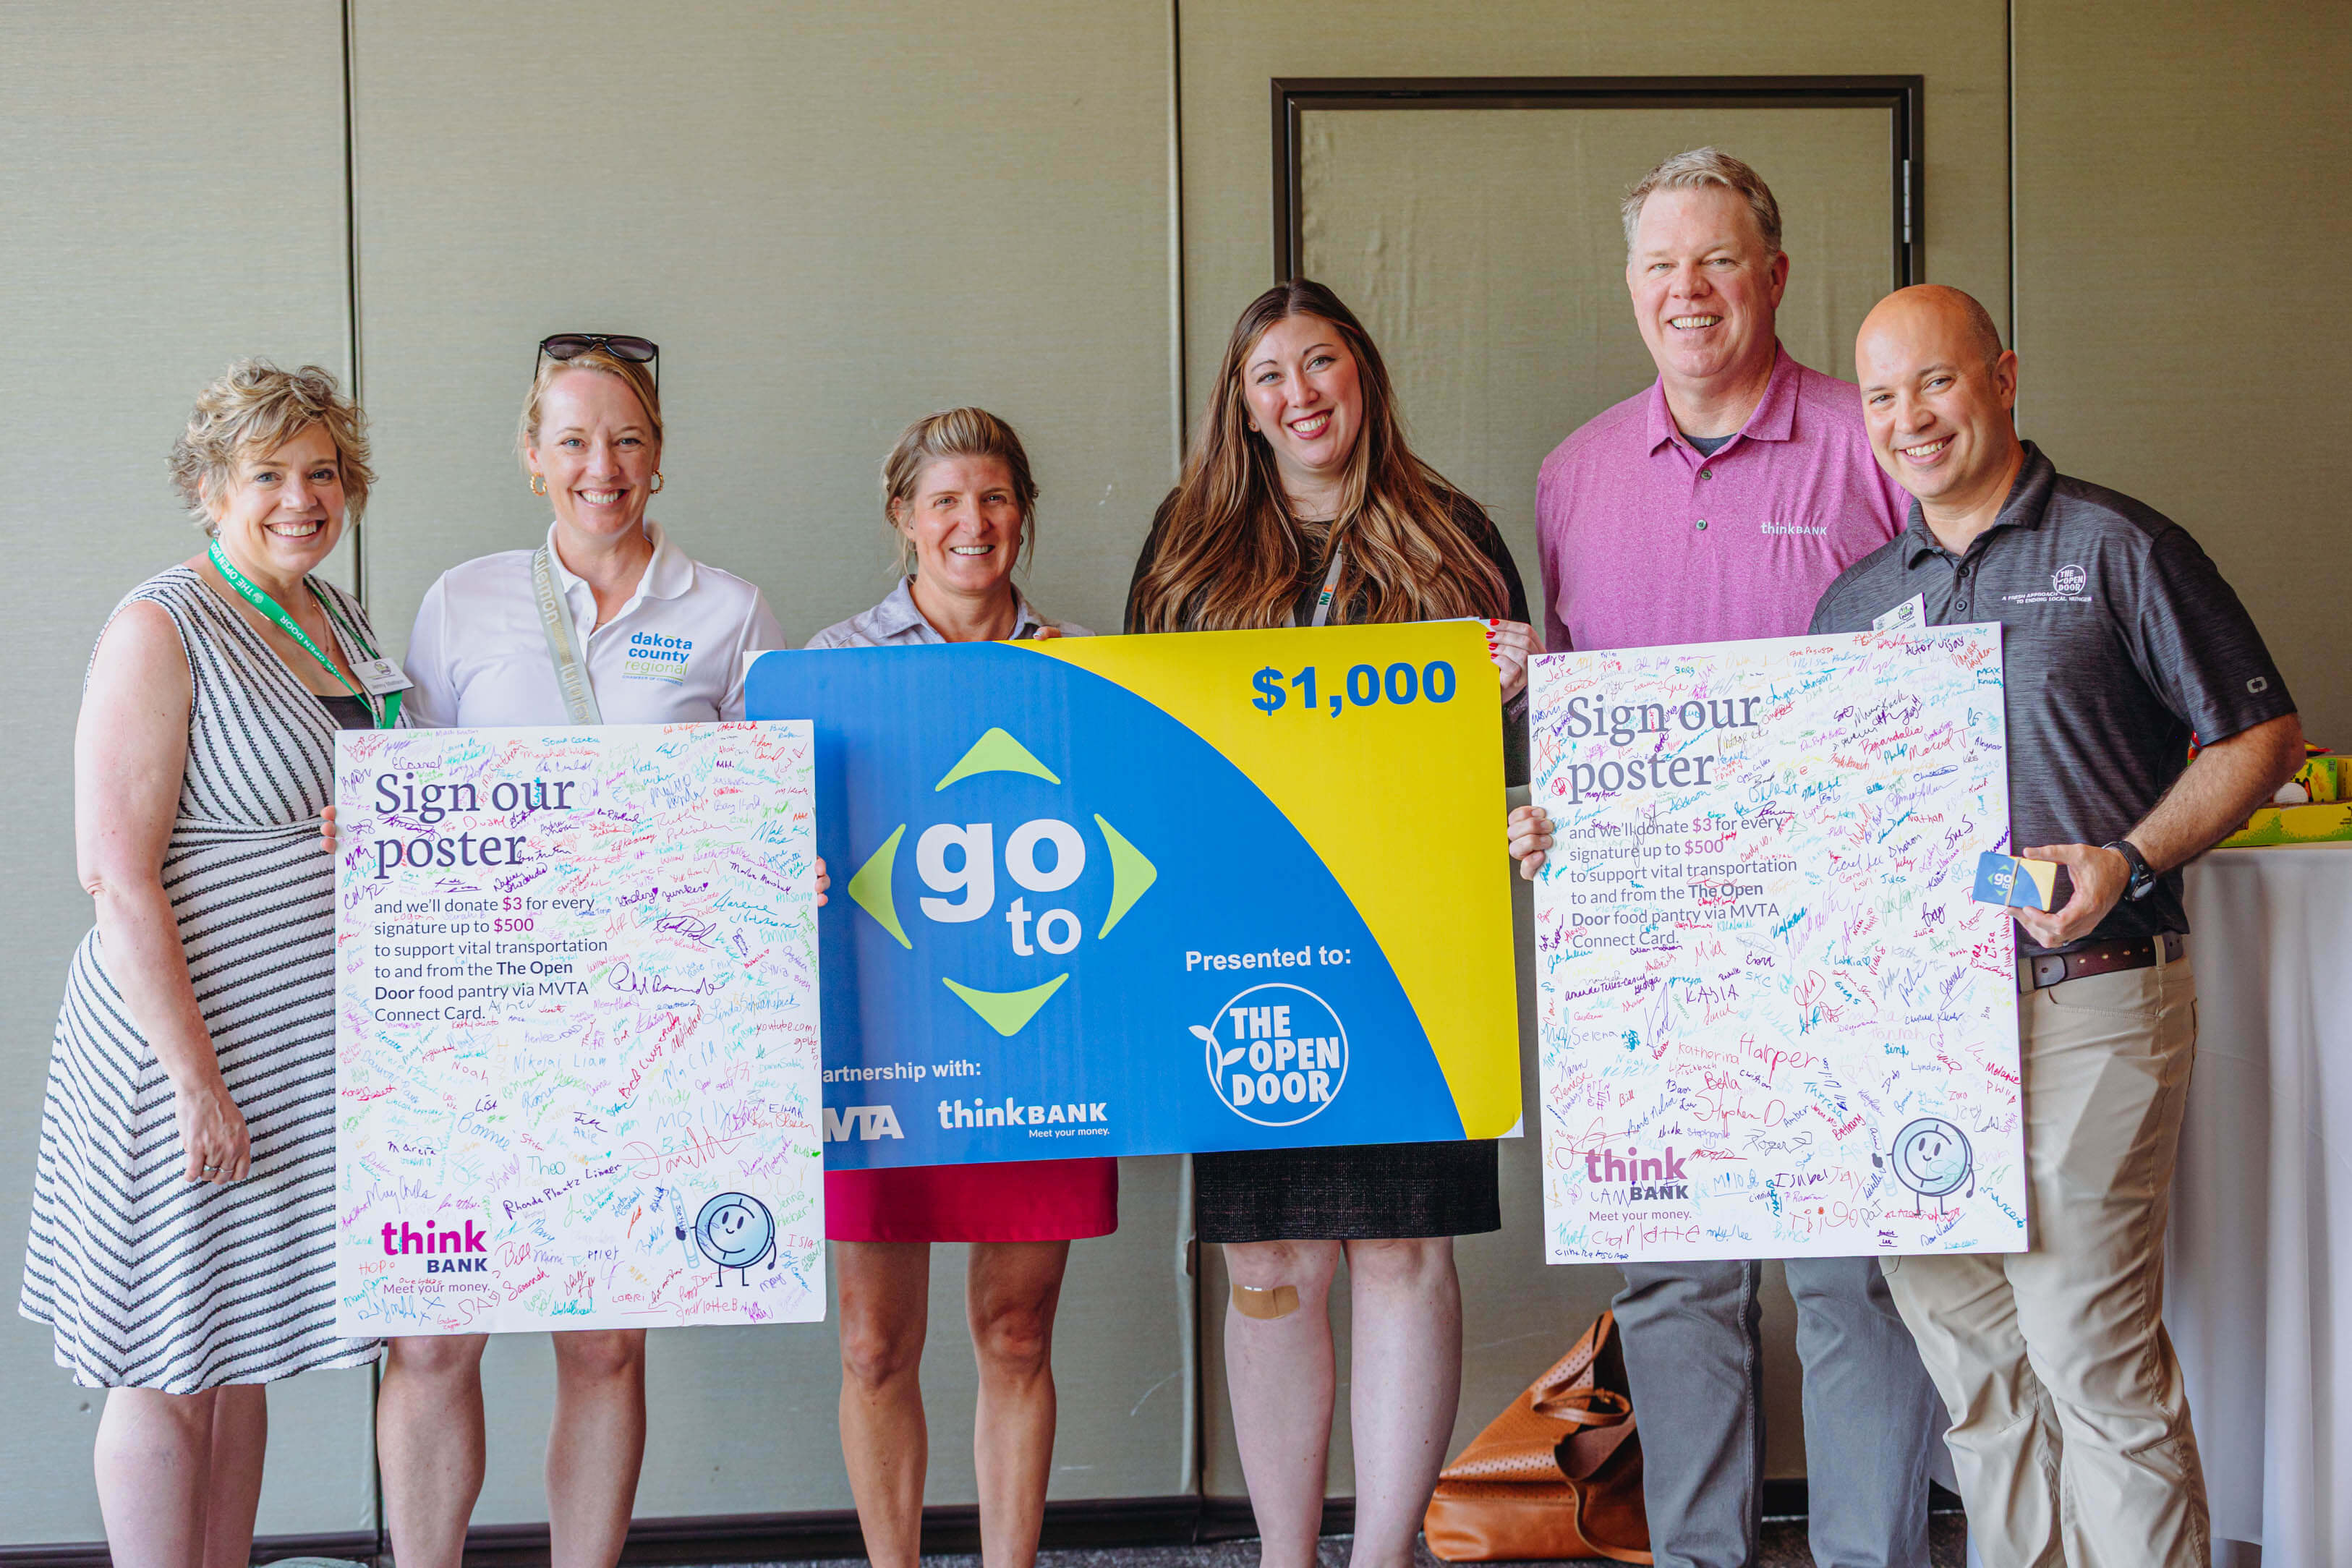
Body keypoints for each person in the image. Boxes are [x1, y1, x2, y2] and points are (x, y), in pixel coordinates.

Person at [1808, 285, 2303, 1566]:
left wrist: (2129, 857)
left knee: (2089, 1344)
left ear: (2005, 377)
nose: (1911, 419)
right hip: (1916, 1034)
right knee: (1973, 1364)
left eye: (1937, 381)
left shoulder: (2121, 545)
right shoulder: (1853, 605)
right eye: (1882, 396)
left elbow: (2260, 735)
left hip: (2093, 991)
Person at [1511, 149, 1946, 1568]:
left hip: (1845, 933)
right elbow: (1575, 702)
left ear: (1774, 275)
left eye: (1716, 261)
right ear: (1630, 286)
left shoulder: (1870, 441)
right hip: (1649, 947)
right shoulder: (1572, 475)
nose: (1687, 290)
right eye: (1660, 265)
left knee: (1850, 1282)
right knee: (1676, 1281)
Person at [377, 335, 825, 1568]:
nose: (601, 466)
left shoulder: (731, 611)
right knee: (433, 1337)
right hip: (477, 1024)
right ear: (532, 457)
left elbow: (769, 809)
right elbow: (415, 796)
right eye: (572, 440)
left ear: (660, 455)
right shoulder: (461, 601)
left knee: (605, 1339)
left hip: (647, 1031)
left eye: (626, 439)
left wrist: (787, 867)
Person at [1126, 279, 1538, 1568]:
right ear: (1241, 407)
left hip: (1412, 948)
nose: (1300, 393)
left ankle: (1382, 1556)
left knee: (1404, 1249)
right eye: (1271, 375)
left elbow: (1515, 761)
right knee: (1269, 1259)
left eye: (1320, 363)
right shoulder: (1188, 551)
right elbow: (1146, 749)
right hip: (1240, 949)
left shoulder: (1452, 535)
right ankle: (1286, 1556)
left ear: (1363, 372)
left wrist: (1522, 689)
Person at [20, 361, 392, 1568]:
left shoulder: (338, 618)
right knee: (163, 1357)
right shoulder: (162, 626)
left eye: (323, 472)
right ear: (210, 487)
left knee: (235, 1352)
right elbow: (115, 875)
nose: (302, 499)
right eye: (268, 474)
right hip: (178, 1050)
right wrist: (194, 1082)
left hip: (289, 1056)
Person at [807, 407, 1114, 1568]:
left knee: (1018, 1332)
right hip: (880, 1038)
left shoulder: (1086, 666)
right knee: (874, 1346)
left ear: (1022, 513)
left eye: (993, 498)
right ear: (904, 517)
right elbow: (755, 829)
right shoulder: (828, 668)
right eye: (944, 501)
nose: (970, 523)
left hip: (1039, 1030)